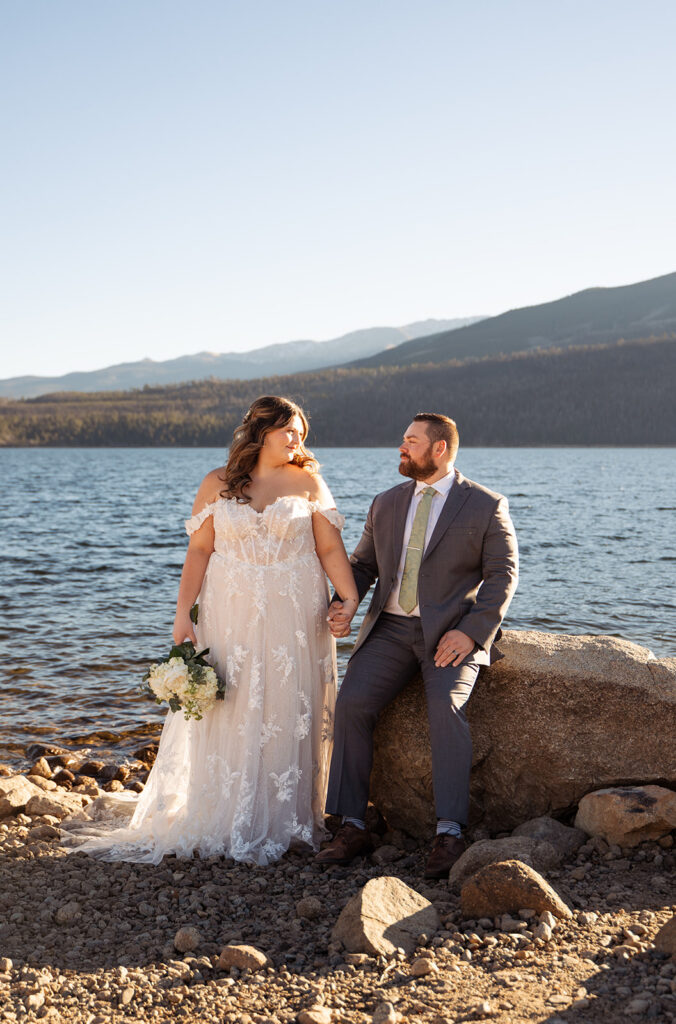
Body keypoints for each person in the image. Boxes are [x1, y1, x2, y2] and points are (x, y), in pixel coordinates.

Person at [61, 395, 358, 865]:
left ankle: (287, 815)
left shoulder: (308, 482)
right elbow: (200, 551)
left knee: (288, 699)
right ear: (260, 432)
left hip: (295, 607)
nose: (296, 437)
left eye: (300, 429)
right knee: (233, 700)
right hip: (230, 607)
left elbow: (329, 548)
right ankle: (225, 810)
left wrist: (350, 597)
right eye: (287, 429)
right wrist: (183, 614)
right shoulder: (217, 483)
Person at [315, 413, 518, 877]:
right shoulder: (385, 503)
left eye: (411, 440)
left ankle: (449, 832)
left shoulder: (485, 504)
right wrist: (344, 603)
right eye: (403, 439)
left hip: (451, 634)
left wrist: (470, 632)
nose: (401, 447)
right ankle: (351, 823)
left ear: (440, 448)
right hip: (389, 629)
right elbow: (362, 566)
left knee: (446, 707)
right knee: (350, 704)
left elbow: (503, 575)